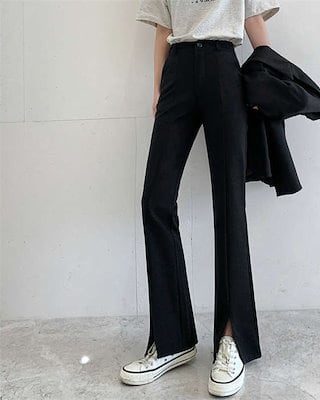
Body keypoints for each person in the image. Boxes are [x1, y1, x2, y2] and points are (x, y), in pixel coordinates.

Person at [120, 0, 280, 396]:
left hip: (224, 68)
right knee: (155, 201)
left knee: (230, 204)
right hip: (178, 69)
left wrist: (267, 77)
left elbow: (252, 17)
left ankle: (231, 337)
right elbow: (164, 27)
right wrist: (158, 87)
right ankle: (172, 341)